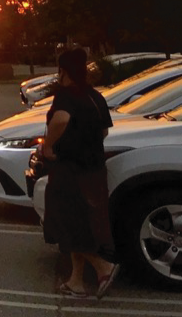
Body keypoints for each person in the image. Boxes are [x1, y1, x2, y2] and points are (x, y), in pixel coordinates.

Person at [40, 48, 120, 299]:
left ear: (63, 71)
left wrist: (49, 145)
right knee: (82, 224)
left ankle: (103, 267)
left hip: (69, 169)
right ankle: (76, 281)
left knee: (63, 223)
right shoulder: (95, 96)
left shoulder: (66, 96)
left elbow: (61, 120)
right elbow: (104, 132)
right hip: (94, 169)